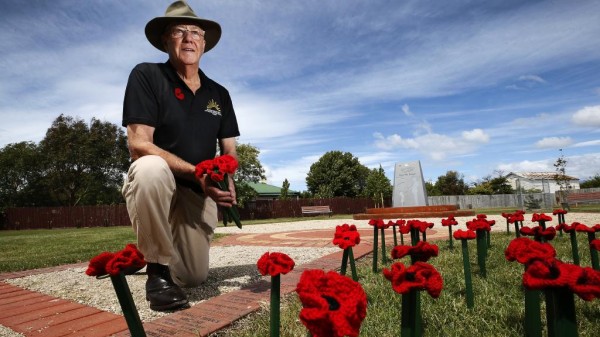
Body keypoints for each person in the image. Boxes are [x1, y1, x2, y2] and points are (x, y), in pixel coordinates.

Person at [121, 0, 240, 312]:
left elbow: (229, 150)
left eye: (195, 32)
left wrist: (226, 180)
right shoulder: (147, 76)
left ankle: (149, 249)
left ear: (204, 42)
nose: (189, 38)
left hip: (196, 193)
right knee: (150, 168)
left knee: (192, 276)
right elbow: (139, 144)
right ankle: (156, 274)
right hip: (158, 183)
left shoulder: (220, 94)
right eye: (179, 31)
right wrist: (197, 172)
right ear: (165, 39)